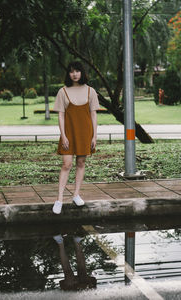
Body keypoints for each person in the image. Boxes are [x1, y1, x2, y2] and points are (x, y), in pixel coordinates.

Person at [52, 61, 100, 214]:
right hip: (69, 133)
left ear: (82, 73)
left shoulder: (90, 91)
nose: (74, 74)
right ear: (68, 74)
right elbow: (61, 115)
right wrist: (63, 135)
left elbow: (93, 114)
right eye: (72, 71)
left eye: (77, 71)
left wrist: (94, 136)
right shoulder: (62, 91)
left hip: (85, 132)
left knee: (81, 162)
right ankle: (59, 199)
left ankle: (76, 195)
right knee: (66, 164)